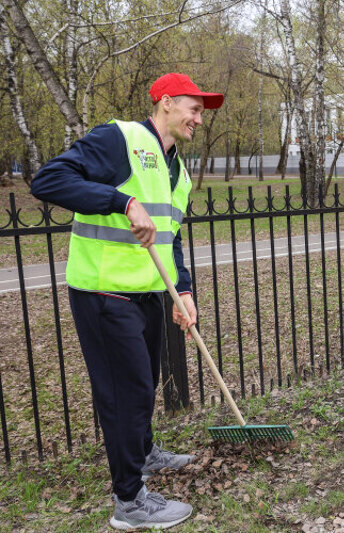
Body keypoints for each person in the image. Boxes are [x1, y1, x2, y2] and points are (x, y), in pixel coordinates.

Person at [31, 73, 223, 530]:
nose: (200, 119)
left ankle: (143, 453)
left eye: (202, 112)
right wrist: (121, 200)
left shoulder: (179, 171)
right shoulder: (121, 138)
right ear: (167, 102)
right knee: (126, 392)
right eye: (194, 109)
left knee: (145, 383)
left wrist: (184, 291)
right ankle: (129, 502)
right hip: (103, 291)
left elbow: (170, 238)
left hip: (147, 293)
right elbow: (48, 180)